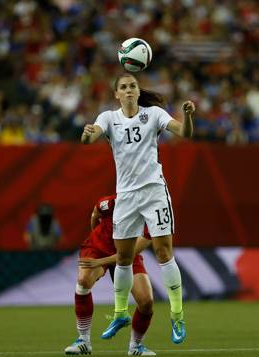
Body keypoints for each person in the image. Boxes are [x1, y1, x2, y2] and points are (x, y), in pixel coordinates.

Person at [81, 73, 194, 345]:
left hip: (154, 191)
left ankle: (177, 316)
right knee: (123, 257)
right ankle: (120, 313)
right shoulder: (109, 118)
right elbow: (89, 139)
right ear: (116, 94)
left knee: (164, 251)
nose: (129, 90)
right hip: (126, 196)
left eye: (132, 86)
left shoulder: (153, 113)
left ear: (136, 91)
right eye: (123, 87)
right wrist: (86, 135)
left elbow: (185, 134)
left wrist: (187, 115)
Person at [64, 195, 156, 356]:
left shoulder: (150, 213)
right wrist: (98, 240)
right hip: (98, 248)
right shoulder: (109, 203)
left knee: (146, 302)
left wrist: (101, 262)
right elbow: (95, 215)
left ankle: (135, 346)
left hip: (127, 254)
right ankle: (83, 341)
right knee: (83, 280)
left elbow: (129, 252)